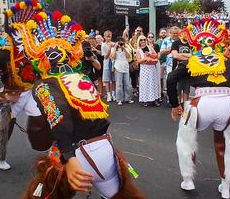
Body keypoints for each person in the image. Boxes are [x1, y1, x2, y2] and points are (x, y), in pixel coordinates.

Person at [17, 10, 144, 199]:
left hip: (77, 154)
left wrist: (70, 157)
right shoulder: (82, 77)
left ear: (41, 61)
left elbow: (58, 118)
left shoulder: (44, 85)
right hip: (105, 150)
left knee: (42, 194)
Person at [167, 19, 230, 199]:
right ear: (216, 43)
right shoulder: (226, 60)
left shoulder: (192, 60)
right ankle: (225, 186)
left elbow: (171, 79)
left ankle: (188, 180)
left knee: (186, 140)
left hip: (201, 103)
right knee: (223, 145)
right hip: (227, 103)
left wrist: (175, 105)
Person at [0, 0, 44, 170]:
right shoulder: (2, 53)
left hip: (29, 93)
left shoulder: (33, 52)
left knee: (42, 118)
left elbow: (40, 71)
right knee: (4, 127)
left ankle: (44, 145)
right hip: (8, 96)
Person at [136, 35, 160, 107]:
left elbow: (156, 55)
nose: (143, 41)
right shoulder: (138, 50)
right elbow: (138, 61)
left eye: (144, 39)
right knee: (145, 84)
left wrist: (149, 55)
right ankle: (145, 100)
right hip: (144, 68)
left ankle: (155, 99)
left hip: (152, 68)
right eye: (141, 40)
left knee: (153, 83)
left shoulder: (150, 47)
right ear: (139, 41)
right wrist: (145, 59)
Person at [111, 36, 134, 105]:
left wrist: (123, 48)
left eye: (122, 42)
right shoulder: (114, 48)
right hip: (118, 67)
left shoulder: (126, 48)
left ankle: (128, 98)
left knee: (127, 84)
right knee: (119, 85)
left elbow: (128, 56)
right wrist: (115, 47)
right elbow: (113, 57)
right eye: (119, 42)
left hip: (125, 68)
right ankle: (119, 99)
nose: (120, 44)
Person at [171, 30, 192, 104]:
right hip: (177, 70)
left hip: (188, 70)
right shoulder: (175, 43)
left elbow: (194, 56)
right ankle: (178, 106)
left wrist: (181, 55)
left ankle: (186, 107)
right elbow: (175, 55)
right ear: (181, 34)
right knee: (178, 90)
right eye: (184, 34)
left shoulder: (191, 44)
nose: (186, 35)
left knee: (186, 90)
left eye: (188, 34)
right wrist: (189, 56)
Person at [102, 30, 116, 102]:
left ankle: (113, 94)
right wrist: (110, 48)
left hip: (113, 64)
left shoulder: (114, 44)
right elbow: (105, 57)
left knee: (113, 79)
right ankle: (108, 94)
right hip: (107, 64)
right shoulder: (103, 45)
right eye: (107, 36)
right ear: (104, 37)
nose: (108, 38)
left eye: (109, 36)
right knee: (107, 80)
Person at [155, 28, 168, 97]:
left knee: (168, 77)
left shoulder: (169, 41)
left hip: (168, 62)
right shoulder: (157, 42)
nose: (163, 34)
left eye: (164, 32)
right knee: (160, 77)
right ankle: (161, 91)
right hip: (160, 62)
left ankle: (169, 91)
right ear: (160, 34)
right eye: (162, 33)